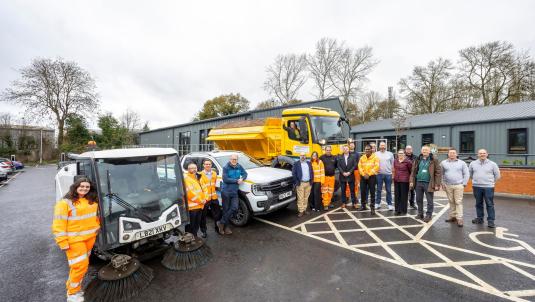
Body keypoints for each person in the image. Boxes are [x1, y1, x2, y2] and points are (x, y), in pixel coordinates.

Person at [52, 178, 100, 302]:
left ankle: (74, 287)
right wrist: (62, 242)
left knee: (80, 266)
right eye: (82, 186)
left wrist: (97, 226)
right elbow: (58, 224)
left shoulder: (91, 200)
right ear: (75, 187)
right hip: (74, 240)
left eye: (87, 187)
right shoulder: (65, 203)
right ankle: (72, 293)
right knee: (80, 266)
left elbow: (94, 216)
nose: (84, 189)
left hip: (89, 238)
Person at [469, 149, 501, 228]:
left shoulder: (493, 164)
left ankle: (491, 221)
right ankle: (480, 219)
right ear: (477, 155)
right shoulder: (473, 163)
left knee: (489, 204)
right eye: (480, 153)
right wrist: (476, 180)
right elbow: (470, 174)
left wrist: (490, 182)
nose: (482, 154)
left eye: (484, 153)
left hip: (488, 187)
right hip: (477, 186)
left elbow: (497, 176)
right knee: (478, 204)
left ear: (487, 154)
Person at [217, 154, 247, 235]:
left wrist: (242, 178)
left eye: (235, 159)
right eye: (233, 159)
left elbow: (245, 174)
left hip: (234, 192)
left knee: (234, 207)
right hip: (226, 192)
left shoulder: (239, 166)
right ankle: (226, 227)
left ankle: (221, 222)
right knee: (226, 209)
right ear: (230, 159)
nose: (234, 160)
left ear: (237, 160)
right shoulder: (226, 167)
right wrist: (237, 181)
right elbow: (225, 179)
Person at [410, 145, 441, 222]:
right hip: (418, 182)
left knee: (429, 200)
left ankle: (428, 215)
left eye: (426, 150)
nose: (425, 151)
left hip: (429, 183)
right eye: (423, 150)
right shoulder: (417, 159)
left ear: (429, 151)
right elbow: (413, 171)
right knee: (418, 199)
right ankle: (420, 213)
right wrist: (411, 181)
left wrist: (437, 184)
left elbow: (438, 172)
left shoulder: (434, 160)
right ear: (421, 151)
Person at [440, 148, 469, 227]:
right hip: (448, 185)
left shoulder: (462, 163)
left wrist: (464, 183)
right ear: (448, 154)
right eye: (450, 153)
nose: (452, 154)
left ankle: (459, 218)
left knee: (458, 202)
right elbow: (441, 174)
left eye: (453, 153)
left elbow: (466, 173)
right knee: (451, 201)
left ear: (456, 154)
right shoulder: (443, 163)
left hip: (458, 185)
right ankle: (453, 217)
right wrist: (442, 183)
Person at [199, 159, 221, 238]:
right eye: (206, 164)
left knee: (217, 214)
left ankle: (217, 228)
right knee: (203, 216)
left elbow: (215, 185)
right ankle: (204, 231)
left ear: (211, 165)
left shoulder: (214, 173)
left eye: (209, 164)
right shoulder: (200, 175)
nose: (208, 165)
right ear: (203, 165)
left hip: (214, 197)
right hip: (205, 199)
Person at [184, 162, 205, 237]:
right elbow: (190, 193)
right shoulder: (187, 179)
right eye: (192, 168)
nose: (194, 169)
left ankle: (194, 238)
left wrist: (204, 198)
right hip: (192, 208)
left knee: (196, 225)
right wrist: (201, 200)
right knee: (191, 226)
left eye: (195, 168)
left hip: (199, 206)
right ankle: (189, 239)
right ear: (188, 169)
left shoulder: (198, 177)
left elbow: (203, 189)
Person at [358, 145, 379, 214]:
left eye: (368, 149)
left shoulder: (375, 157)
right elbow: (359, 167)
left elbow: (376, 167)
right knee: (363, 191)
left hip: (372, 177)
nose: (367, 150)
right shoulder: (362, 158)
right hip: (363, 177)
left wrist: (369, 174)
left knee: (372, 192)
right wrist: (363, 174)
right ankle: (363, 205)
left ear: (371, 150)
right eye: (366, 149)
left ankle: (372, 208)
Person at [292, 152, 313, 217]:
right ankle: (301, 211)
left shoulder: (309, 163)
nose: (303, 156)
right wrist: (297, 182)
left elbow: (311, 172)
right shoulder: (296, 164)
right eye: (301, 155)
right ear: (299, 156)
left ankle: (305, 209)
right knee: (300, 198)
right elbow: (294, 174)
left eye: (304, 155)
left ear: (305, 156)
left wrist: (311, 181)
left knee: (306, 197)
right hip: (301, 183)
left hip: (308, 183)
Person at [375, 142, 395, 210]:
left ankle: (389, 204)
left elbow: (393, 164)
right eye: (381, 145)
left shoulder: (390, 154)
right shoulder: (376, 154)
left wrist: (393, 174)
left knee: (389, 190)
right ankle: (378, 203)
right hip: (379, 174)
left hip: (388, 174)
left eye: (383, 145)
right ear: (379, 146)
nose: (382, 146)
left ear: (386, 146)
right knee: (378, 189)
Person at [393, 150, 412, 215]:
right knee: (397, 195)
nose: (400, 155)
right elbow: (394, 169)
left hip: (404, 181)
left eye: (402, 153)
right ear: (397, 154)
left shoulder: (408, 161)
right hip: (396, 180)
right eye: (399, 153)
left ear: (404, 154)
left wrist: (410, 180)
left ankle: (404, 210)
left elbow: (411, 171)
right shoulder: (395, 161)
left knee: (404, 196)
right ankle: (397, 210)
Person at [320, 146, 337, 210]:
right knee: (325, 191)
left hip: (332, 177)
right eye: (327, 150)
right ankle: (325, 204)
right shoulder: (321, 157)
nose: (328, 151)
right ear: (325, 150)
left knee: (330, 191)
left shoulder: (334, 157)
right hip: (325, 177)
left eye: (329, 150)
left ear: (331, 150)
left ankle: (329, 202)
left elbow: (335, 166)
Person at [345, 141, 360, 206]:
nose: (351, 146)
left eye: (352, 145)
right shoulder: (346, 153)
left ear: (354, 146)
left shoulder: (357, 154)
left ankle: (355, 196)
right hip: (348, 172)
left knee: (356, 184)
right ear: (349, 146)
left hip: (356, 171)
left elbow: (358, 163)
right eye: (350, 145)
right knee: (347, 184)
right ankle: (347, 196)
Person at [405, 145, 417, 210]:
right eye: (407, 149)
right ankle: (404, 204)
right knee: (405, 191)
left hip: (413, 177)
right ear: (405, 150)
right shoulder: (403, 156)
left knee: (412, 191)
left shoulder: (415, 157)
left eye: (410, 149)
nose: (409, 150)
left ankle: (412, 204)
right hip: (404, 176)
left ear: (412, 150)